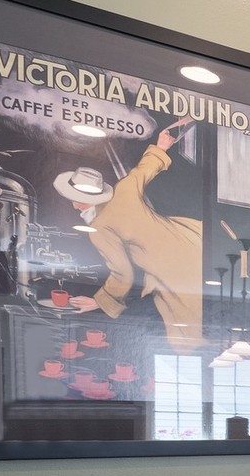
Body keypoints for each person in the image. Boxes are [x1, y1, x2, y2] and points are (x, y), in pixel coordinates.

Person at [54, 116, 203, 351]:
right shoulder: (124, 189)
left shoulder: (99, 228)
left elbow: (122, 275)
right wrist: (162, 145)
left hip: (169, 267)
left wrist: (98, 301)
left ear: (77, 201)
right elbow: (145, 169)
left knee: (186, 334)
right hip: (190, 238)